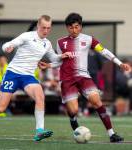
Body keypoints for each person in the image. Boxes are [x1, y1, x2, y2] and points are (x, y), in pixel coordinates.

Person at [39, 13, 131, 142]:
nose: (74, 30)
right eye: (71, 28)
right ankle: (72, 118)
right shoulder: (61, 42)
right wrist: (48, 65)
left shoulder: (88, 39)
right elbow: (60, 61)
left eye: (77, 27)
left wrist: (119, 63)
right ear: (67, 28)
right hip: (67, 79)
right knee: (74, 110)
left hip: (83, 77)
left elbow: (103, 51)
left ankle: (112, 134)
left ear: (81, 26)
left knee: (97, 102)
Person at [0, 15, 72, 141]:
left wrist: (63, 55)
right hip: (12, 74)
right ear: (38, 26)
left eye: (48, 28)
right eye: (43, 28)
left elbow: (54, 58)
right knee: (0, 108)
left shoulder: (47, 44)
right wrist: (8, 47)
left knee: (40, 96)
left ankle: (39, 131)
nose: (46, 31)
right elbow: (9, 44)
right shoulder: (27, 36)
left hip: (28, 76)